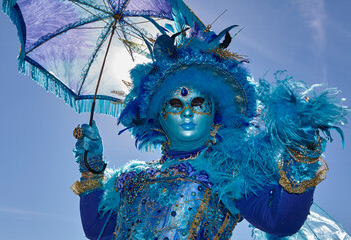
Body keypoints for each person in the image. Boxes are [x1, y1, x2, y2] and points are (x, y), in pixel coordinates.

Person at [70, 25, 349, 240]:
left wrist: (301, 151)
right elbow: (97, 230)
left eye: (198, 102)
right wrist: (91, 168)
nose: (187, 111)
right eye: (176, 104)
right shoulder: (131, 178)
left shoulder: (228, 172)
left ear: (215, 113)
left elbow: (280, 221)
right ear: (159, 117)